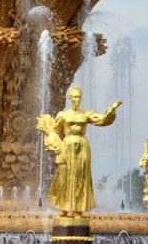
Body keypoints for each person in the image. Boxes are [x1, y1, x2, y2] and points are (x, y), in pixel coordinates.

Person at [36, 86, 121, 218]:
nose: (77, 100)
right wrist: (54, 145)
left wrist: (111, 109)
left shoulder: (85, 114)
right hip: (67, 147)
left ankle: (77, 209)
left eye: (79, 97)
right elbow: (54, 132)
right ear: (70, 98)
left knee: (80, 177)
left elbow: (102, 120)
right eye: (74, 97)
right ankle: (63, 208)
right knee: (65, 176)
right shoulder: (62, 115)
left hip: (82, 147)